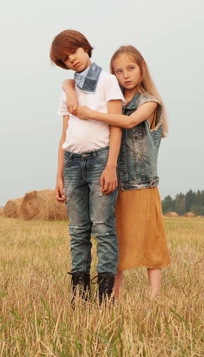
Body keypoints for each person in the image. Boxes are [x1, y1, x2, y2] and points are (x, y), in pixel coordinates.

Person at [63, 45, 171, 298]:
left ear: (142, 68)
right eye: (119, 71)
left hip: (141, 183)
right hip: (112, 180)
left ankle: (154, 294)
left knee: (150, 239)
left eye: (131, 68)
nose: (126, 75)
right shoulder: (114, 99)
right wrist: (69, 88)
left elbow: (130, 122)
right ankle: (114, 293)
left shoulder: (151, 103)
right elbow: (71, 81)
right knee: (113, 236)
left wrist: (91, 113)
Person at [49, 30, 125, 305]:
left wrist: (111, 166)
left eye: (75, 53)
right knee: (77, 230)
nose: (73, 61)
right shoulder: (70, 88)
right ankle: (79, 296)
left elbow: (117, 125)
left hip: (100, 160)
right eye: (66, 60)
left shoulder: (108, 82)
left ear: (85, 48)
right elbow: (64, 133)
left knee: (103, 228)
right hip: (71, 162)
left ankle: (105, 298)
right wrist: (58, 174)